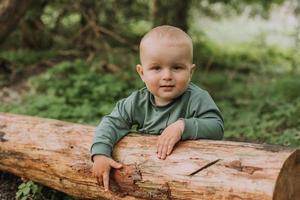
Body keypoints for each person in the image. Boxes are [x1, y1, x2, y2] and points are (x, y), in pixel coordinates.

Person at [91, 25, 224, 191]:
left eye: (177, 67)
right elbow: (111, 123)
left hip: (189, 177)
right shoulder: (137, 102)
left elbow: (216, 127)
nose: (167, 76)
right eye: (156, 68)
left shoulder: (197, 98)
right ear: (142, 73)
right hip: (147, 178)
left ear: (190, 72)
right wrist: (100, 153)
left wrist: (182, 126)